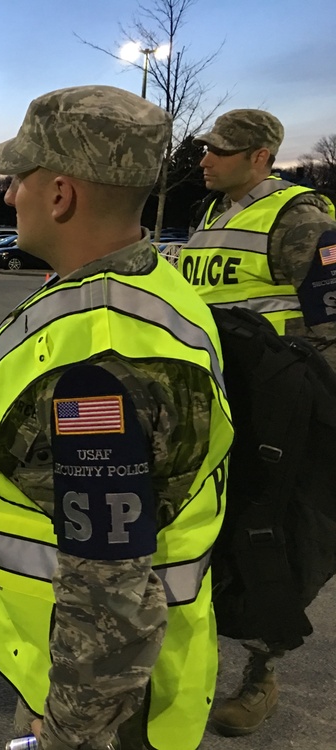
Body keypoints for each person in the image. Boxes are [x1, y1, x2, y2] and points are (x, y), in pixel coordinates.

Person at [0, 85, 233, 750]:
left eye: (18, 178)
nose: (7, 196)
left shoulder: (103, 355)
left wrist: (72, 734)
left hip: (107, 706)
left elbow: (110, 597)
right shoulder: (148, 287)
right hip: (121, 677)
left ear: (60, 195)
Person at [177, 108, 336, 737]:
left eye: (220, 151)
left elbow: (328, 325)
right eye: (207, 148)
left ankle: (261, 674)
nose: (205, 159)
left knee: (265, 534)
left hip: (270, 407)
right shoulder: (213, 217)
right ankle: (188, 661)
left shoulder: (301, 219)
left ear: (261, 156)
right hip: (211, 396)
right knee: (200, 532)